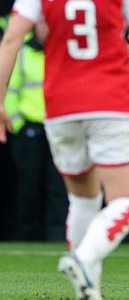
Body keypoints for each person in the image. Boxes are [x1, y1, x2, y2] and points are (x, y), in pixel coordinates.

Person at [0, 0, 129, 298]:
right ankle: (84, 257)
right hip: (110, 101)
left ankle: (88, 292)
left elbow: (11, 38)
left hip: (60, 106)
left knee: (83, 200)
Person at [5, 19, 67, 241]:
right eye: (42, 23)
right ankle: (25, 233)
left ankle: (57, 234)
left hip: (60, 125)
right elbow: (12, 90)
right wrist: (18, 124)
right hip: (31, 127)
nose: (47, 27)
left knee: (60, 185)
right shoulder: (23, 53)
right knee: (28, 184)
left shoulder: (65, 51)